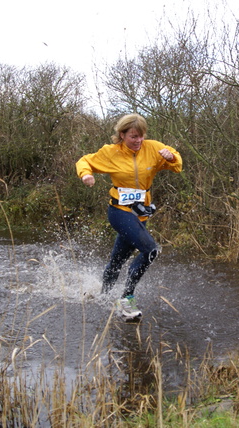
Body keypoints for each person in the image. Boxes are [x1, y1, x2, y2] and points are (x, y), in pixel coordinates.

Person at [76, 113, 182, 320]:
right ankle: (127, 298)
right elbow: (85, 161)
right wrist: (86, 175)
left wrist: (172, 158)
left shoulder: (152, 148)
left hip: (140, 213)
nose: (138, 141)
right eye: (133, 136)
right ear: (122, 134)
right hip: (119, 211)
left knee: (117, 261)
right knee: (151, 250)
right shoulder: (110, 152)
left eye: (141, 136)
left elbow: (176, 165)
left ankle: (103, 296)